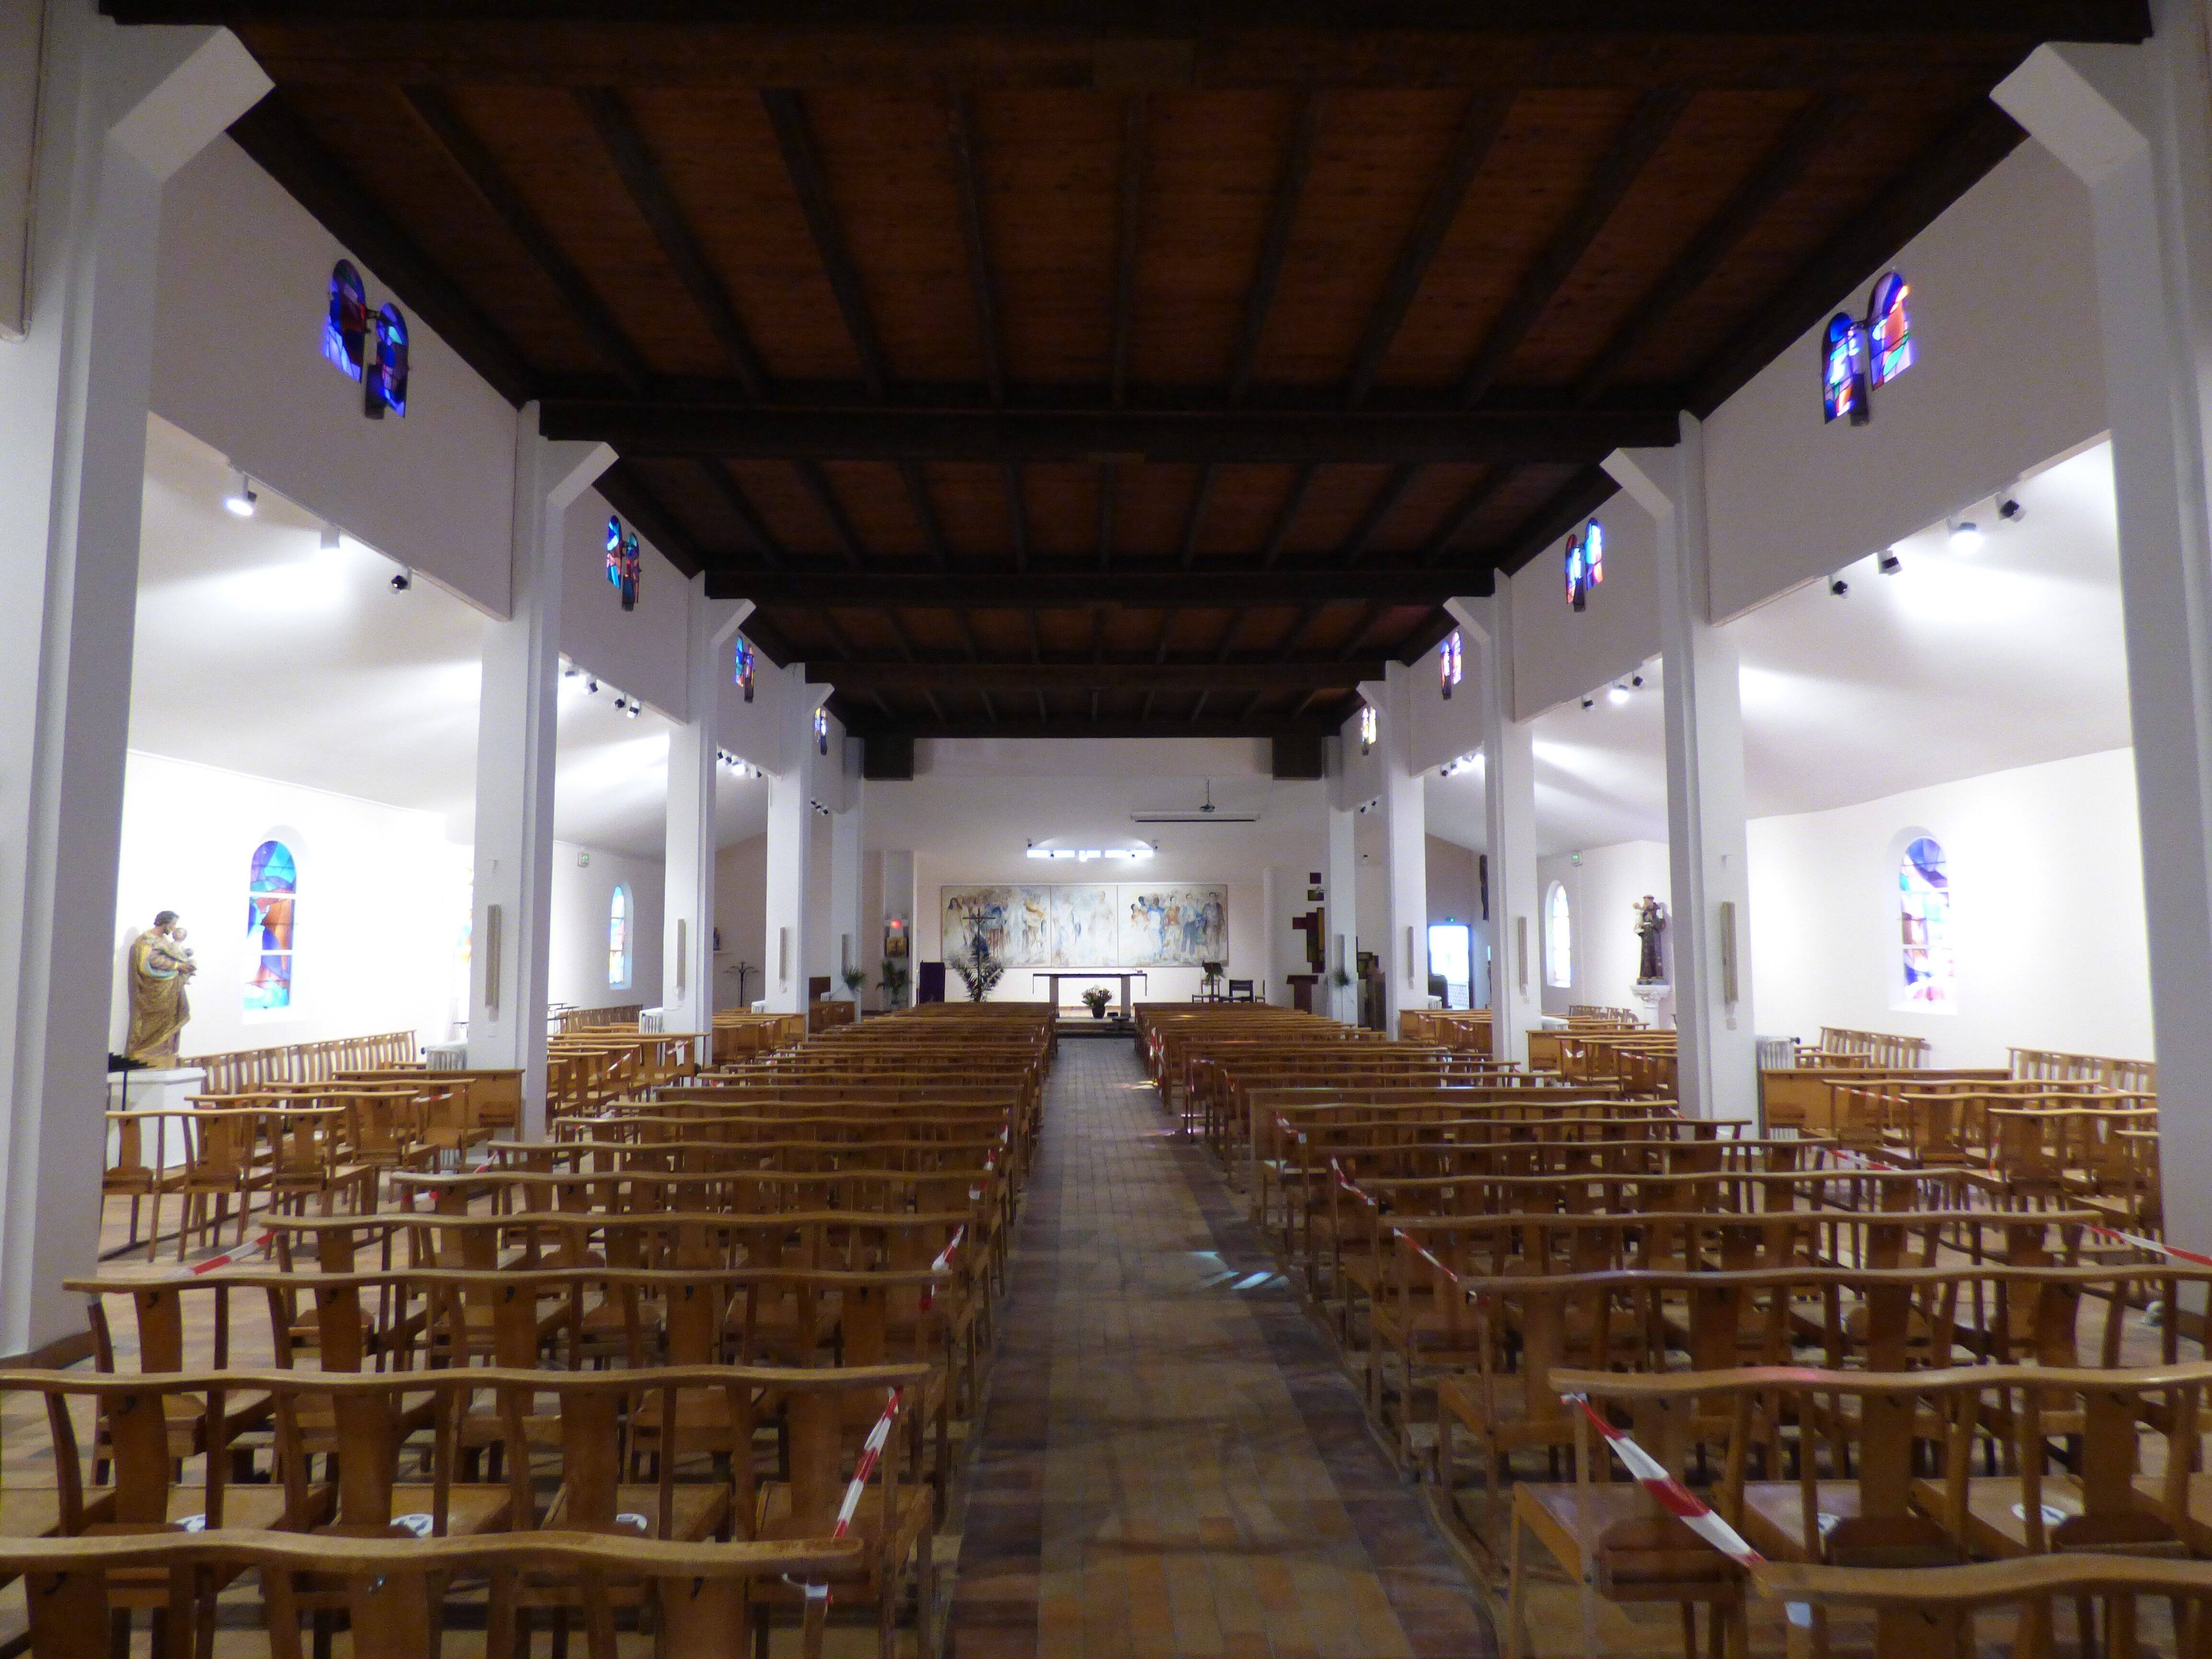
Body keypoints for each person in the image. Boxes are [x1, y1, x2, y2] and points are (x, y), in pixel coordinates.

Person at [124, 911, 197, 1066]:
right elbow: (150, 961)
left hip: (171, 986)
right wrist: (178, 965)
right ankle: (147, 1051)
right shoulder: (146, 941)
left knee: (173, 1017)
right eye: (173, 924)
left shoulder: (163, 940)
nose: (174, 928)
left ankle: (164, 1051)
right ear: (166, 923)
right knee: (156, 1021)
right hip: (155, 989)